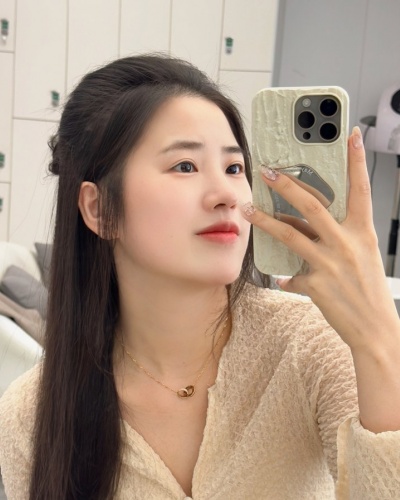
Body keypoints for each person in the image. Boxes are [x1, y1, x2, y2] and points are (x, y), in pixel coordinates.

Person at [0, 54, 400, 500]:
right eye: (185, 166)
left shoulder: (311, 346)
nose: (226, 194)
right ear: (99, 209)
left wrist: (379, 340)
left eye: (234, 168)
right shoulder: (30, 415)